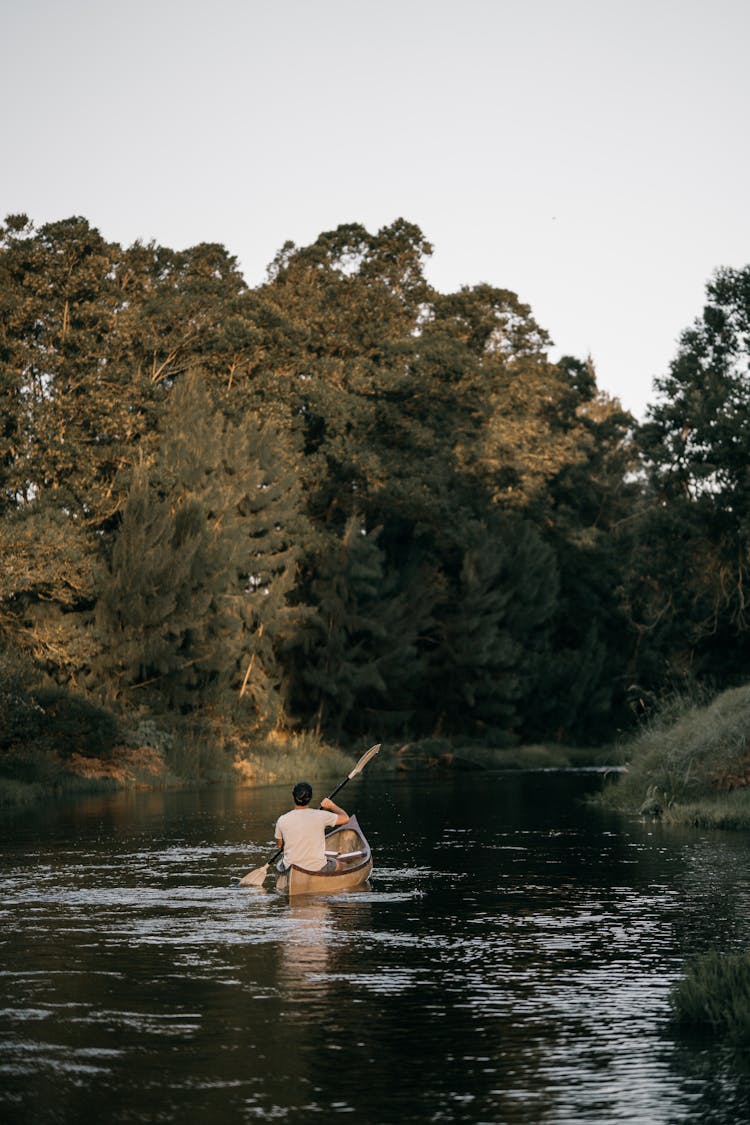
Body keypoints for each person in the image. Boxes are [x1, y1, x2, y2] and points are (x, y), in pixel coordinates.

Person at [274, 781, 350, 872]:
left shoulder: (282, 820)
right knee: (339, 865)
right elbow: (346, 818)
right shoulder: (321, 815)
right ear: (310, 797)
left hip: (291, 867)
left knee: (283, 863)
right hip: (317, 868)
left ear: (293, 796)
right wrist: (331, 805)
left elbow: (279, 845)